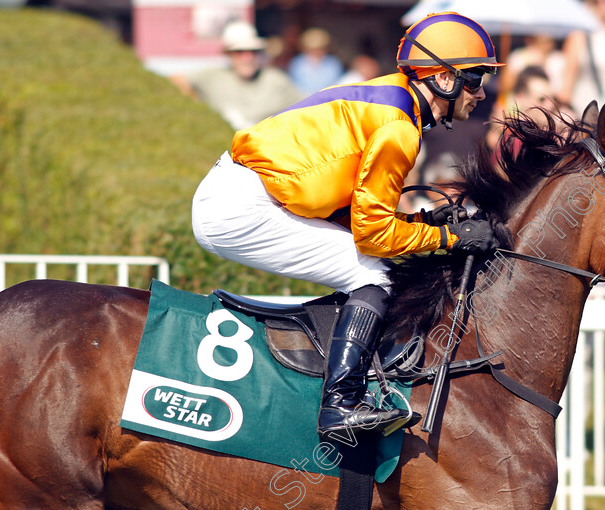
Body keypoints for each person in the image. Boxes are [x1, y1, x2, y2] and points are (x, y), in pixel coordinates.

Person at [191, 12, 503, 435]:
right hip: (241, 207)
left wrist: (421, 222)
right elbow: (373, 237)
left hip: (245, 194)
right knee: (372, 272)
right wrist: (449, 237)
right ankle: (341, 405)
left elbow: (360, 217)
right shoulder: (399, 127)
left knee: (373, 264)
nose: (481, 92)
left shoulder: (395, 98)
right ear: (443, 79)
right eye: (475, 77)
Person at [170, 21, 304, 131]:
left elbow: (306, 106)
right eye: (239, 52)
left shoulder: (275, 80)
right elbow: (175, 82)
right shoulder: (213, 77)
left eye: (252, 52)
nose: (247, 58)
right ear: (229, 55)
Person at [288, 27, 344, 95]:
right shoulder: (297, 63)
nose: (318, 52)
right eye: (315, 49)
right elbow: (293, 86)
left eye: (322, 48)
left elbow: (337, 86)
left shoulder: (333, 63)